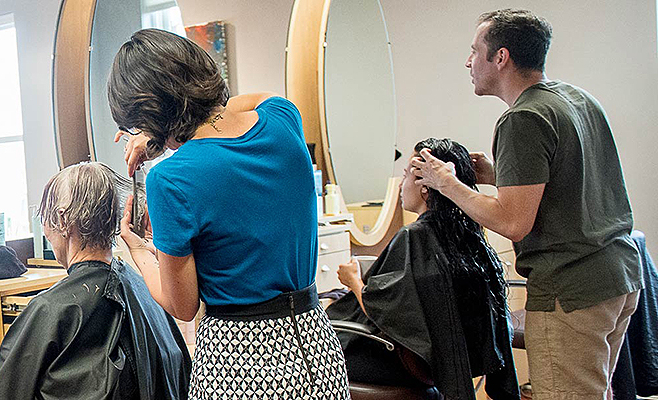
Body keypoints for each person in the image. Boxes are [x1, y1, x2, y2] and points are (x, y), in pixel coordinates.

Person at [409, 9, 643, 399]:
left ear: (500, 57)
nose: (468, 61)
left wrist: (446, 183)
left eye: (474, 51)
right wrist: (499, 174)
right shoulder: (575, 99)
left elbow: (512, 223)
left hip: (572, 291)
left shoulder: (522, 119)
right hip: (619, 278)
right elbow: (572, 182)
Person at [108, 29, 348, 399]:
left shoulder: (171, 179)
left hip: (240, 358)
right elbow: (255, 101)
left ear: (147, 114)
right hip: (317, 345)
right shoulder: (283, 120)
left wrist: (138, 249)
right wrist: (166, 132)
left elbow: (182, 305)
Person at [0, 162, 191, 400]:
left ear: (61, 219)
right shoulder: (144, 288)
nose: (45, 229)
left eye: (45, 217)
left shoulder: (51, 309)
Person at [327, 138, 519, 399]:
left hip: (403, 364)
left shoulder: (414, 236)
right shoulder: (468, 233)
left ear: (425, 187)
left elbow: (385, 310)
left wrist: (354, 282)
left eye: (405, 174)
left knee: (317, 353)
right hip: (438, 364)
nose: (401, 184)